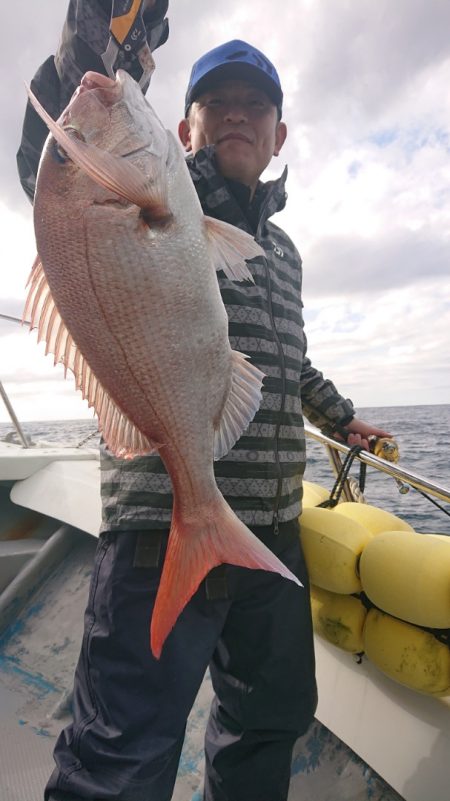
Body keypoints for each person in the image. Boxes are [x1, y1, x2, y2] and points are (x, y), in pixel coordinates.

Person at [17, 3, 391, 800]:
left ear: (279, 134)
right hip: (159, 521)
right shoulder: (161, 194)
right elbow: (55, 154)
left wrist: (341, 415)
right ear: (183, 129)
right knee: (119, 750)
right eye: (214, 104)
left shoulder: (284, 253)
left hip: (269, 531)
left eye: (253, 105)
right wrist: (104, 41)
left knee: (268, 725)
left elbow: (287, 359)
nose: (234, 116)